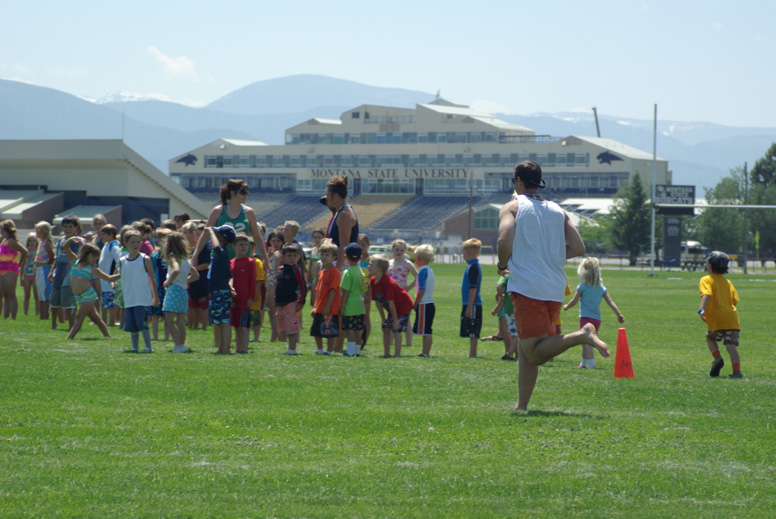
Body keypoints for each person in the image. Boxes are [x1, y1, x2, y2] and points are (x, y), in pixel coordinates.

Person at [496, 160, 607, 411]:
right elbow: (579, 248)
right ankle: (522, 405)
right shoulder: (558, 210)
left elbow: (504, 240)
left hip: (527, 287)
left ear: (518, 182)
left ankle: (582, 335)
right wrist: (550, 257)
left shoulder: (511, 207)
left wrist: (503, 263)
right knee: (526, 350)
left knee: (534, 353)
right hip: (555, 287)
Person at [563, 257, 625, 369]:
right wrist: (618, 314)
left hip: (586, 318)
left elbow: (574, 300)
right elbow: (610, 301)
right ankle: (583, 363)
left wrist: (567, 306)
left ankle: (592, 364)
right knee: (585, 341)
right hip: (597, 319)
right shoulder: (601, 288)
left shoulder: (583, 286)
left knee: (587, 342)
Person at [193, 179, 268, 261]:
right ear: (232, 193)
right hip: (220, 259)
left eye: (246, 192)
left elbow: (257, 237)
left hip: (242, 260)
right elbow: (205, 235)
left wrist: (266, 258)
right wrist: (195, 255)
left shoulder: (249, 212)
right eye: (242, 192)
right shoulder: (217, 211)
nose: (245, 195)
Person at [699, 251, 743, 379]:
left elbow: (707, 294)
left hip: (717, 319)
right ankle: (737, 372)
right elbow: (735, 300)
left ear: (710, 266)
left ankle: (717, 357)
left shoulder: (706, 279)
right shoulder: (727, 282)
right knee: (731, 346)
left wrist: (701, 309)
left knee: (710, 338)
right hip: (732, 319)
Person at [62, 237, 117, 340]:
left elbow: (109, 278)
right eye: (94, 256)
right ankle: (108, 337)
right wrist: (72, 239)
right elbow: (65, 247)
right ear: (86, 254)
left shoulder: (92, 269)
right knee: (95, 318)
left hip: (88, 295)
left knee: (79, 317)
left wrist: (122, 274)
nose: (95, 259)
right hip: (79, 297)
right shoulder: (75, 261)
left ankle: (69, 338)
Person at [196, 224, 236, 354]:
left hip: (221, 292)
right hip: (215, 291)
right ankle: (221, 348)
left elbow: (216, 247)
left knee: (224, 322)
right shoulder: (219, 256)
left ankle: (226, 349)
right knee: (218, 322)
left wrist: (211, 233)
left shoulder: (223, 253)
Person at [118, 229, 158, 353]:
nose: (136, 244)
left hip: (142, 298)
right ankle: (135, 347)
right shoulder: (122, 261)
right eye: (132, 242)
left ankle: (148, 347)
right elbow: (121, 276)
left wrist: (155, 297)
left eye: (138, 242)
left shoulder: (145, 259)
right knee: (132, 326)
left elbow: (152, 278)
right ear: (125, 243)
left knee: (142, 324)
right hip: (130, 298)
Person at [368, 254, 413, 358]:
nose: (368, 266)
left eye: (371, 264)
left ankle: (397, 354)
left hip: (403, 306)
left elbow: (391, 302)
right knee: (385, 327)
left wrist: (396, 320)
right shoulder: (373, 281)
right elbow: (378, 302)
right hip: (392, 308)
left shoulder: (387, 282)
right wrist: (383, 319)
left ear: (379, 268)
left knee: (396, 328)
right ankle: (386, 353)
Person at [163, 231, 199, 353]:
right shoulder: (186, 259)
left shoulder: (173, 257)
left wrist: (168, 281)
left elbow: (176, 270)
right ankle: (181, 345)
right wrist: (185, 280)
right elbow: (196, 276)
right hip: (183, 291)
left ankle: (178, 345)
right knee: (180, 322)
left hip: (173, 289)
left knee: (168, 321)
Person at [49, 215, 81, 330]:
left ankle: (71, 325)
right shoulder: (61, 240)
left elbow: (79, 259)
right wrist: (52, 271)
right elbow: (57, 258)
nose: (68, 229)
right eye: (65, 226)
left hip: (71, 272)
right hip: (59, 271)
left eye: (70, 226)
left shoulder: (78, 241)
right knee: (55, 299)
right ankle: (54, 323)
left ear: (76, 228)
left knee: (68, 298)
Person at [321, 176, 359, 269]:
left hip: (344, 265)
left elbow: (344, 246)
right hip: (337, 262)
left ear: (336, 196)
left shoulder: (344, 214)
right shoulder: (340, 212)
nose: (327, 197)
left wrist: (337, 271)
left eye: (328, 194)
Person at [275, 242, 306, 355]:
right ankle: (288, 347)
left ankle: (292, 349)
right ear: (283, 256)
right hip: (280, 303)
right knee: (283, 327)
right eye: (289, 255)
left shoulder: (296, 270)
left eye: (294, 256)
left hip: (291, 303)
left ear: (298, 257)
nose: (292, 258)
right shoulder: (280, 269)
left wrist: (301, 301)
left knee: (292, 327)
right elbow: (278, 286)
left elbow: (303, 286)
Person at [310, 240, 341, 355]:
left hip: (330, 308)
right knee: (316, 329)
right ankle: (320, 349)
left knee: (330, 331)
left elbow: (333, 290)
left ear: (334, 257)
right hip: (319, 307)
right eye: (322, 254)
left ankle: (329, 350)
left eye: (327, 255)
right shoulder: (321, 271)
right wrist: (315, 306)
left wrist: (328, 306)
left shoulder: (335, 272)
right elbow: (318, 290)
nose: (323, 257)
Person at [388, 238, 418, 347]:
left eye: (401, 250)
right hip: (391, 295)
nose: (399, 252)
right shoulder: (388, 263)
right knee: (391, 318)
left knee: (406, 319)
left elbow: (418, 277)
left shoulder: (408, 263)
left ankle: (408, 343)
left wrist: (408, 287)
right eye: (397, 249)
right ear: (392, 250)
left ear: (405, 251)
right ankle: (390, 342)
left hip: (403, 295)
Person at [230, 233, 257, 354]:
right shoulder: (231, 262)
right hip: (234, 300)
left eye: (246, 245)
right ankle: (238, 348)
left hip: (245, 300)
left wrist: (251, 297)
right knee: (236, 326)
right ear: (234, 246)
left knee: (244, 326)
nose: (244, 247)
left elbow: (253, 281)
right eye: (241, 244)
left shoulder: (250, 262)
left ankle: (244, 349)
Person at [340, 243, 366, 357]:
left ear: (346, 257)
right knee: (358, 329)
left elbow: (345, 292)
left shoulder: (347, 272)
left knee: (350, 329)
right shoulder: (361, 272)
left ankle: (350, 351)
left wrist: (341, 306)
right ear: (360, 257)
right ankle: (356, 351)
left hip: (350, 305)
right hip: (360, 304)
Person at [182, 221, 209, 331]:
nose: (198, 237)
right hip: (194, 281)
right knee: (194, 305)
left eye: (201, 234)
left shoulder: (207, 247)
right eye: (197, 234)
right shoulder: (195, 248)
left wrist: (193, 269)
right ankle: (193, 326)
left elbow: (207, 264)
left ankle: (203, 327)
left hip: (202, 279)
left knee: (203, 306)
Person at [0, 219, 28, 320]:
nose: (1, 230)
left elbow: (24, 251)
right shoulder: (4, 240)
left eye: (2, 228)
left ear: (7, 229)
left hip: (11, 270)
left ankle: (13, 317)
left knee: (11, 295)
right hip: (2, 269)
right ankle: (6, 317)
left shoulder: (12, 241)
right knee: (5, 295)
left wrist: (19, 263)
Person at [461, 238, 483, 358]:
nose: (463, 256)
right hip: (470, 303)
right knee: (470, 329)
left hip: (473, 303)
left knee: (474, 329)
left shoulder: (473, 267)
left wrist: (469, 307)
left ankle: (473, 353)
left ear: (468, 253)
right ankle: (472, 352)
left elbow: (473, 288)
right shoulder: (472, 266)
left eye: (463, 253)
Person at [412, 244, 436, 358]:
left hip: (424, 304)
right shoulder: (430, 270)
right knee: (427, 329)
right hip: (430, 303)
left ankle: (425, 352)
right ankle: (425, 351)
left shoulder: (422, 272)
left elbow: (421, 290)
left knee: (426, 331)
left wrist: (415, 303)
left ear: (418, 259)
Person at [149, 227, 172, 341]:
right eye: (160, 238)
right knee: (155, 314)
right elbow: (151, 271)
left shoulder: (172, 256)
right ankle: (155, 337)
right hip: (157, 287)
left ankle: (167, 336)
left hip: (169, 287)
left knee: (166, 314)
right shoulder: (155, 256)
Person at [490, 272, 518, 361]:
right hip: (520, 308)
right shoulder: (523, 274)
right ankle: (512, 354)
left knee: (514, 333)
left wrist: (502, 297)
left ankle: (511, 354)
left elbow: (499, 286)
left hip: (509, 309)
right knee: (518, 333)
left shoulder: (507, 276)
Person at [98, 224, 121, 326]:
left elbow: (118, 260)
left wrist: (115, 275)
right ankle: (103, 321)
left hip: (110, 278)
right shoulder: (106, 245)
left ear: (110, 234)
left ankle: (111, 321)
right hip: (103, 278)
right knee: (104, 300)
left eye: (103, 234)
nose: (101, 236)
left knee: (111, 302)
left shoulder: (114, 245)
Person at [264, 229, 284, 342]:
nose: (275, 243)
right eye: (273, 240)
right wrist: (267, 256)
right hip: (268, 283)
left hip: (274, 284)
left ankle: (276, 334)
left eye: (278, 241)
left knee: (275, 311)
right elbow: (264, 267)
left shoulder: (280, 254)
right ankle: (275, 333)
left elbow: (276, 271)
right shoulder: (270, 253)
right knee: (270, 311)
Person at [34, 221, 55, 321]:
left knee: (45, 294)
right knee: (40, 294)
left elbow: (52, 257)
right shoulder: (41, 242)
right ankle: (42, 316)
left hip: (44, 269)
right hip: (38, 270)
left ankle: (45, 316)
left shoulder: (47, 243)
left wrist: (44, 263)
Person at [248, 239, 266, 343]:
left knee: (255, 316)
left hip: (255, 294)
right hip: (244, 292)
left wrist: (255, 292)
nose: (249, 249)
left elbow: (260, 279)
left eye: (252, 247)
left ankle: (256, 337)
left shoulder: (257, 262)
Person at [21, 232, 39, 316]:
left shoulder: (38, 252)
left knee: (36, 296)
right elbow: (22, 265)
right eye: (30, 241)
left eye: (34, 241)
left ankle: (37, 313)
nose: (32, 243)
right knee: (27, 295)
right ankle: (25, 313)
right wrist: (21, 278)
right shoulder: (25, 252)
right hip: (27, 275)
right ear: (28, 242)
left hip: (35, 275)